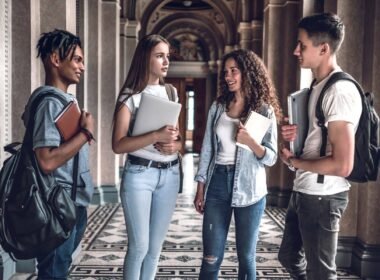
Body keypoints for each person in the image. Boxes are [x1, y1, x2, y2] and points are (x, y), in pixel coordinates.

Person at [278, 13, 362, 280]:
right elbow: (319, 138)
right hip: (304, 189)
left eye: (301, 45)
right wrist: (295, 138)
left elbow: (342, 164)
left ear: (323, 48)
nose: (295, 51)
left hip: (323, 197)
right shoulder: (316, 85)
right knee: (289, 256)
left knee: (321, 273)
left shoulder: (340, 91)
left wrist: (295, 162)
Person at [193, 49, 282, 280]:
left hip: (251, 189)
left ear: (248, 73)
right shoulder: (218, 106)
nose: (228, 77)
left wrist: (251, 142)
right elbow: (207, 150)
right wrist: (200, 186)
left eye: (234, 71)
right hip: (217, 184)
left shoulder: (264, 110)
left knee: (246, 258)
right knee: (211, 258)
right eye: (226, 72)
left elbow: (271, 157)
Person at [21, 29, 95, 279]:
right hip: (57, 204)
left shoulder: (64, 101)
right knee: (53, 273)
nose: (82, 66)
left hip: (70, 202)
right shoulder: (49, 104)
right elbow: (47, 160)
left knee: (58, 270)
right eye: (76, 59)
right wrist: (85, 134)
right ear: (55, 59)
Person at [112, 34, 182, 280]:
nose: (166, 62)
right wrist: (155, 135)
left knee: (154, 249)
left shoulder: (171, 92)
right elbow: (118, 145)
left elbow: (176, 135)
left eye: (167, 56)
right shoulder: (130, 96)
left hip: (170, 174)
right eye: (159, 56)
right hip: (139, 175)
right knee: (139, 247)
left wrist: (176, 146)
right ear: (145, 58)